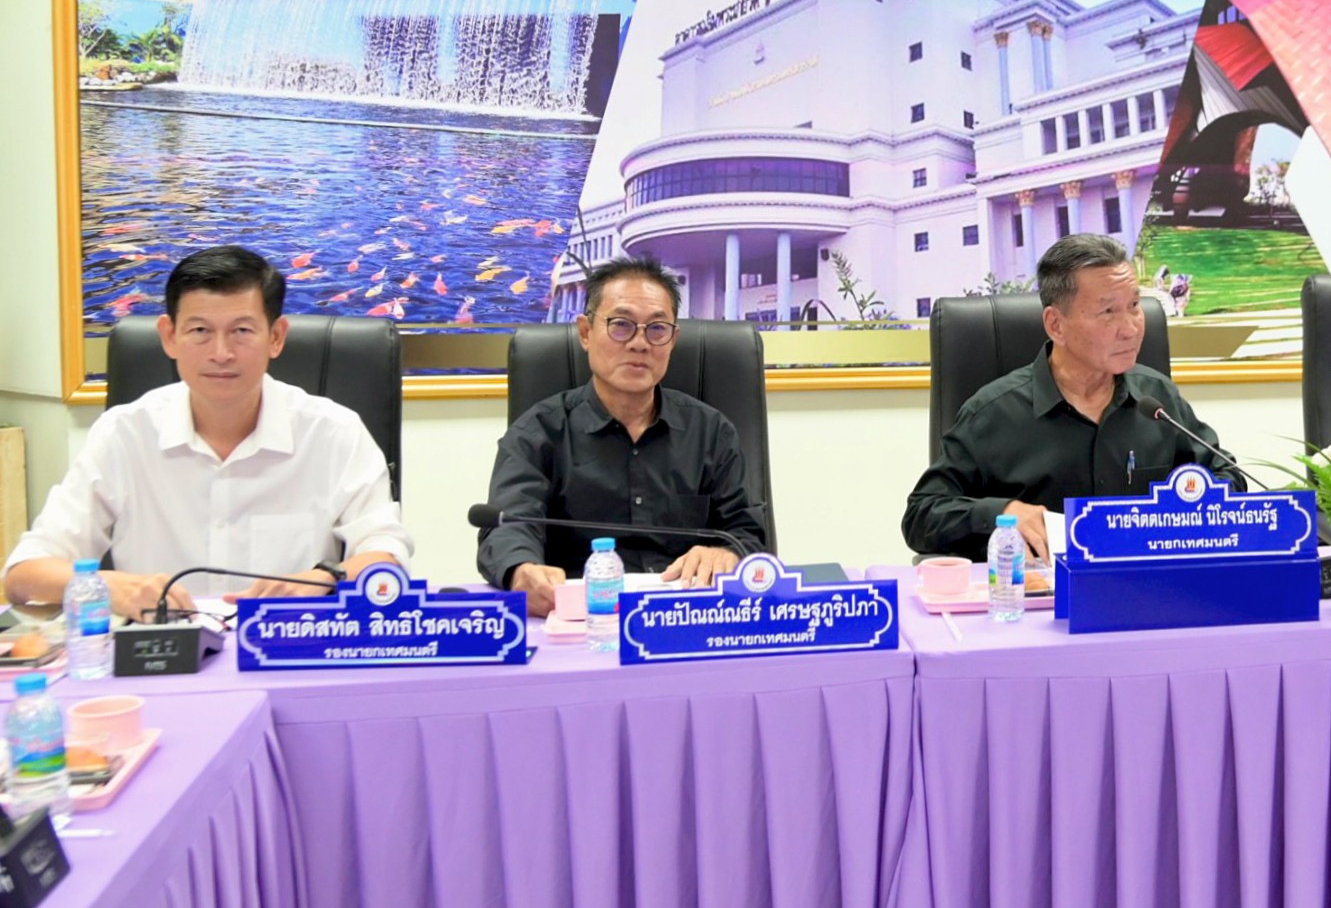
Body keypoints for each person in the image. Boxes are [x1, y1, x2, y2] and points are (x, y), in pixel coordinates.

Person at [3, 246, 413, 619]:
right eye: (200, 331)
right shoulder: (124, 434)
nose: (221, 353)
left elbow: (387, 556)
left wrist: (324, 577)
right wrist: (107, 586)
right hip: (160, 654)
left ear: (275, 337)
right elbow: (24, 575)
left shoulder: (334, 432)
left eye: (242, 331)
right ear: (169, 337)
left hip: (288, 648)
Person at [903, 233, 1243, 562]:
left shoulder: (1157, 399)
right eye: (1108, 312)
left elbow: (1228, 479)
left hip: (1146, 587)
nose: (1131, 328)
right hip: (1039, 593)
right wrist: (1002, 514)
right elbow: (922, 515)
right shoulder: (993, 412)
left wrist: (1185, 506)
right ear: (1056, 325)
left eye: (1134, 306)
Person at [476, 255, 768, 617]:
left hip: (685, 616)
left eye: (657, 329)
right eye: (621, 325)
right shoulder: (537, 434)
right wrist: (521, 570)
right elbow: (508, 529)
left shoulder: (711, 433)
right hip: (580, 618)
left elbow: (747, 533)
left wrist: (727, 553)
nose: (639, 343)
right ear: (586, 332)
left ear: (673, 340)